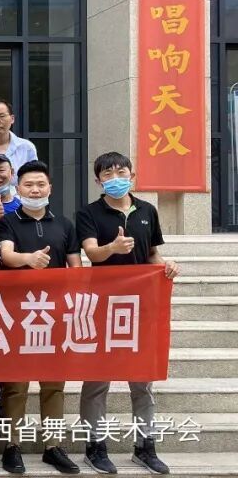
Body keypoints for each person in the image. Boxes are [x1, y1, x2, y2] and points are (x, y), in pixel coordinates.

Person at [76, 152, 179, 475]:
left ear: (132, 175)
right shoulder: (89, 212)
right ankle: (95, 446)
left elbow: (152, 253)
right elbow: (91, 252)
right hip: (103, 306)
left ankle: (145, 447)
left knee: (142, 380)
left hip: (140, 306)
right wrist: (112, 249)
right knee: (97, 380)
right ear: (98, 180)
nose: (115, 177)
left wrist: (166, 265)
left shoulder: (147, 210)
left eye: (121, 171)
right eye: (108, 173)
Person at [0, 160, 82, 475]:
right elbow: (6, 255)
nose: (34, 190)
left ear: (50, 188)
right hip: (18, 313)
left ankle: (52, 447)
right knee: (16, 385)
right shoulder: (8, 222)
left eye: (40, 184)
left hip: (54, 315)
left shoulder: (65, 224)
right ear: (18, 188)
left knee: (54, 385)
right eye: (28, 185)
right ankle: (12, 445)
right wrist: (28, 259)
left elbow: (75, 265)